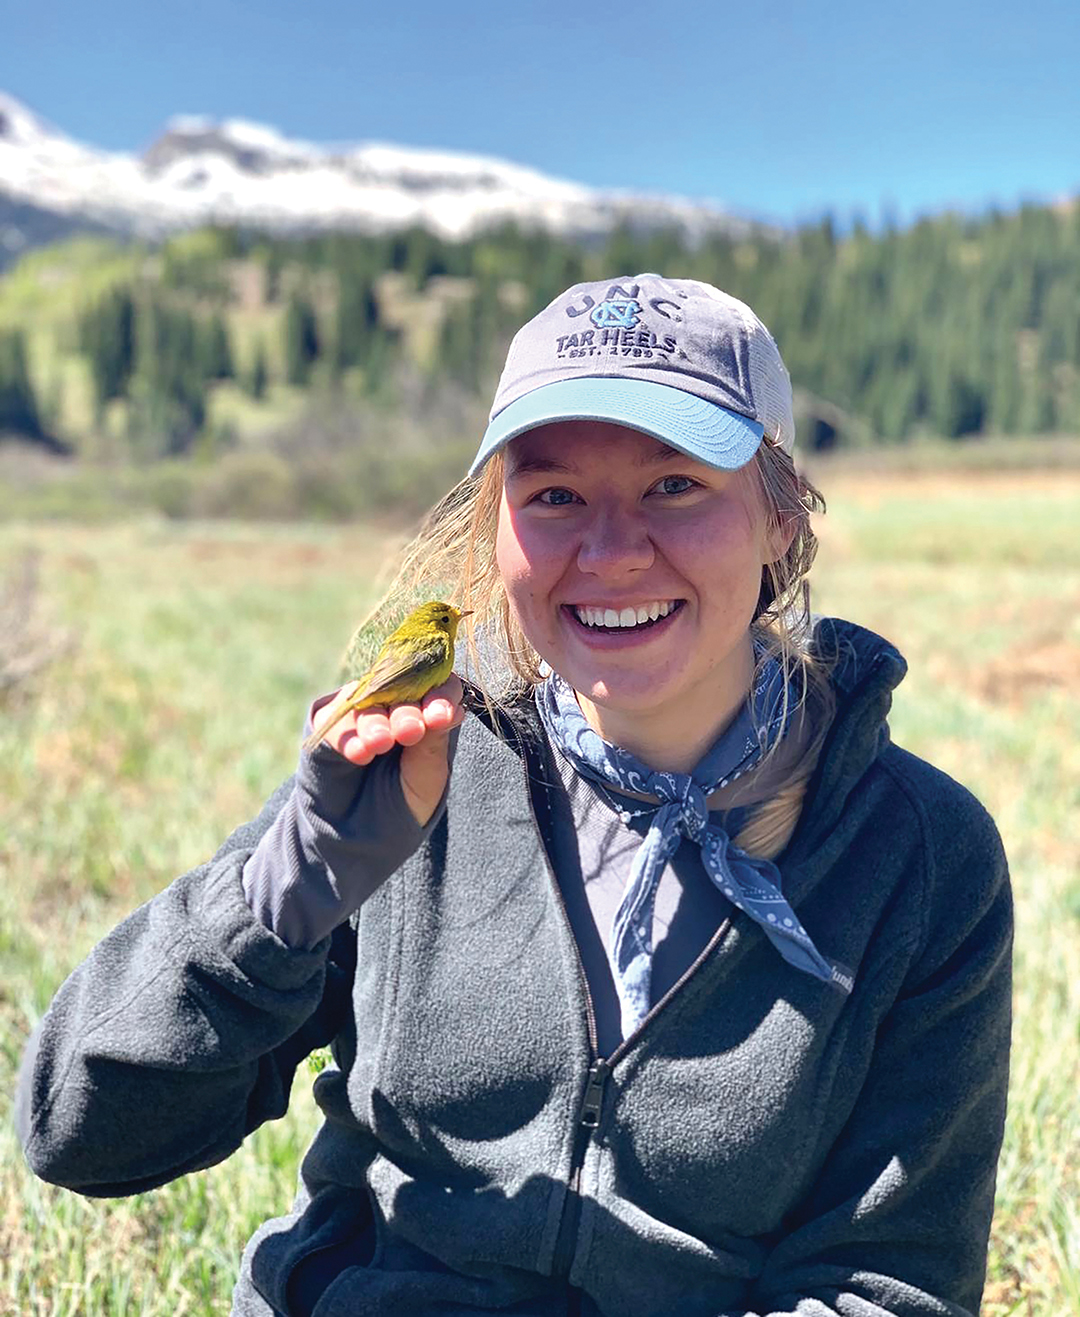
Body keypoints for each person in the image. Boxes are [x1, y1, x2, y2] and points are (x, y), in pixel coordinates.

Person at [17, 275, 1012, 1317]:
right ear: (498, 525)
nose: (611, 551)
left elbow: (886, 1282)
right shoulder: (415, 769)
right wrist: (284, 899)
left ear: (779, 518)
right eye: (554, 496)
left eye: (675, 485)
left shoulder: (915, 857)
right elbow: (78, 1132)